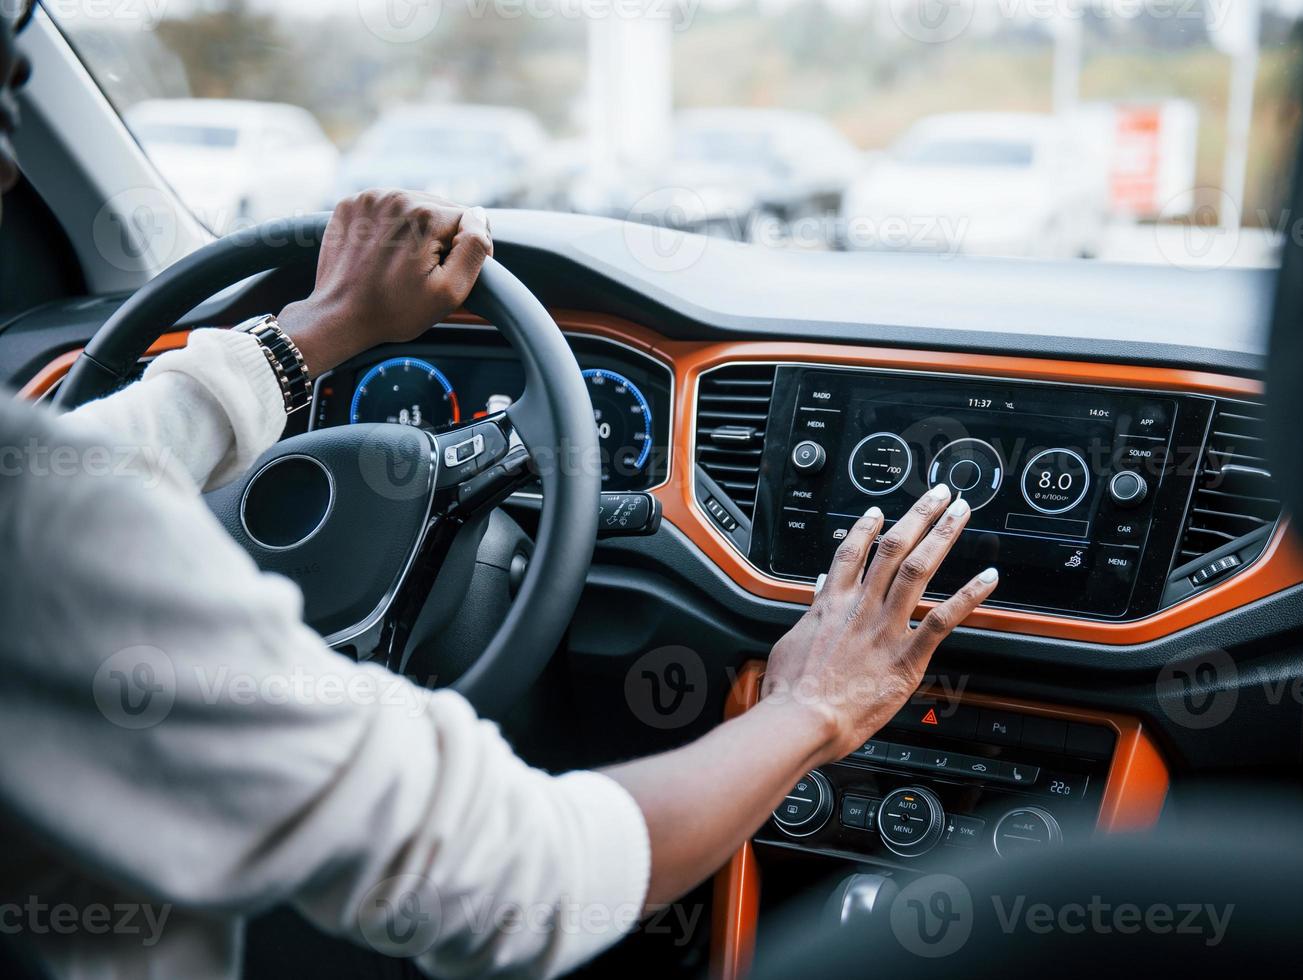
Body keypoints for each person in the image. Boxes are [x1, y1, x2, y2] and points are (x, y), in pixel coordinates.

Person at [0, 6, 999, 977]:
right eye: (7, 102)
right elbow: (523, 881)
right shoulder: (50, 537)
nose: (10, 168)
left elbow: (81, 460)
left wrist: (313, 332)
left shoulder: (42, 499)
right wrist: (815, 704)